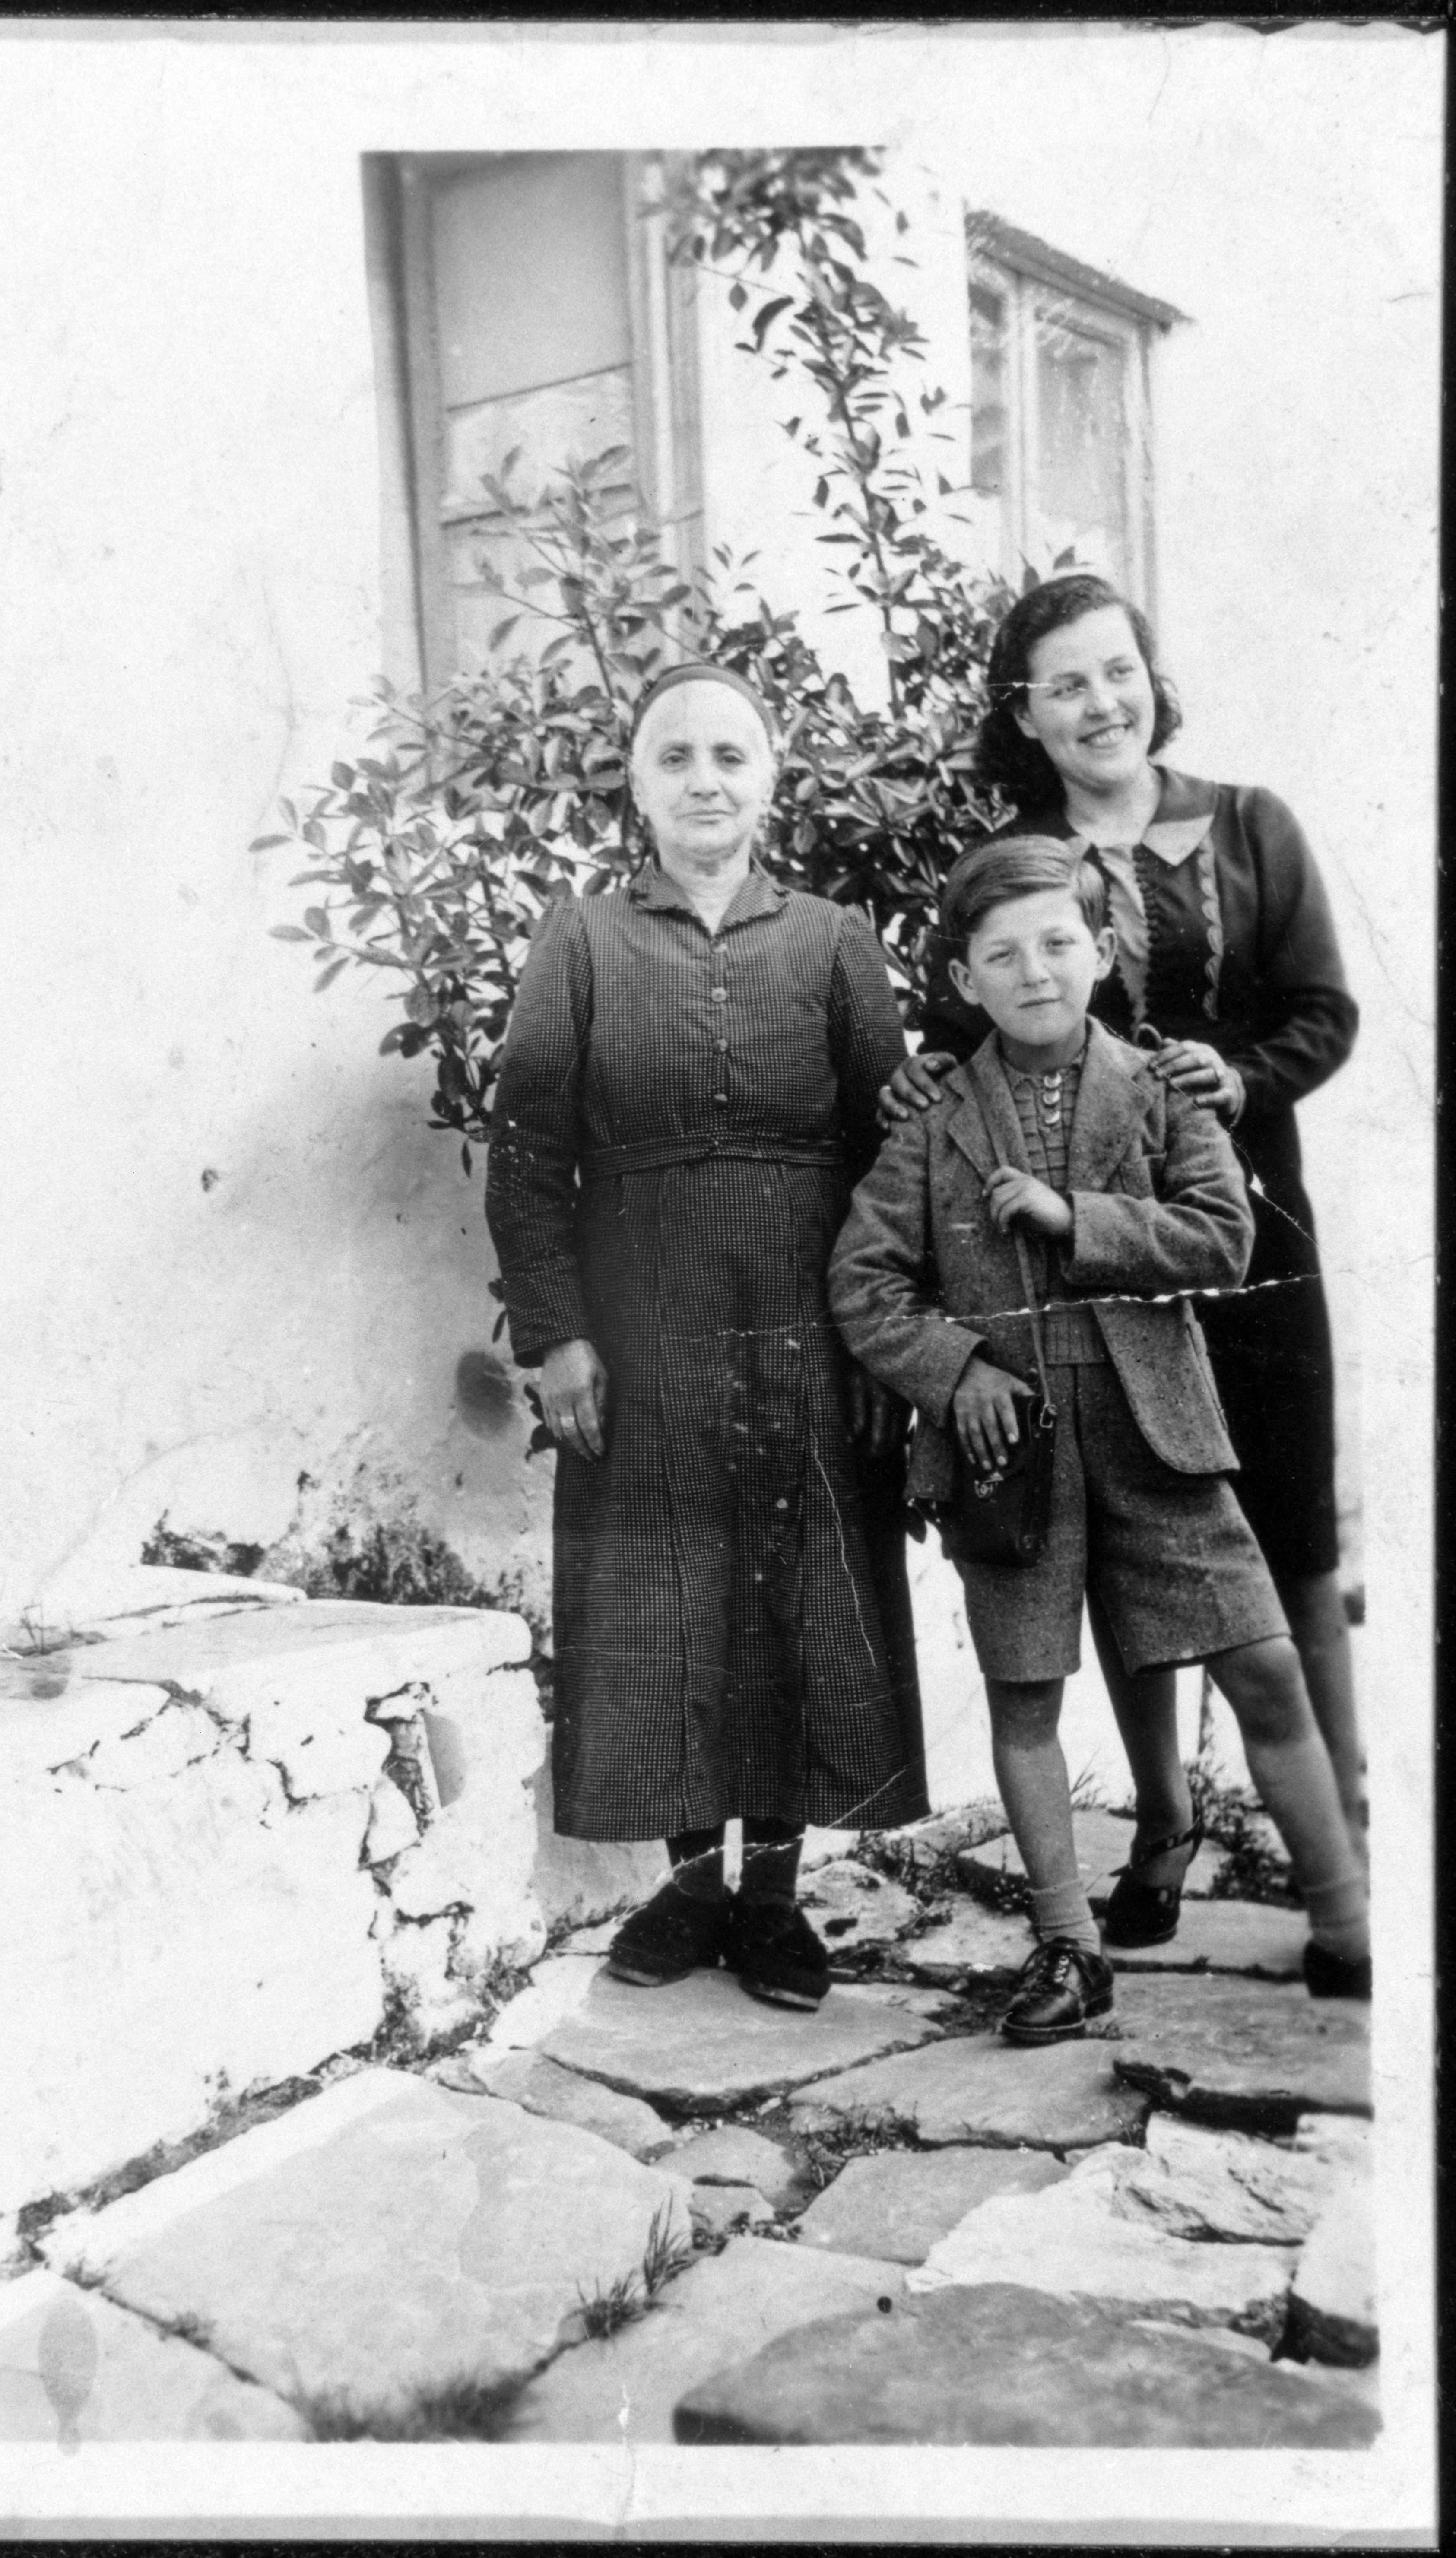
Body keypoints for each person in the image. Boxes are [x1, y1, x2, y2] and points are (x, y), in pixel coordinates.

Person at [882, 573, 1366, 1938]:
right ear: (1025, 713)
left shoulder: (1252, 823)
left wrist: (1241, 1076)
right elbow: (964, 1040)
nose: (1101, 703)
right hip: (1075, 1275)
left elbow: (1325, 1012)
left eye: (1118, 670)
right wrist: (918, 1082)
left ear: (1151, 675)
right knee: (1122, 1532)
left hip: (1241, 1228)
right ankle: (1163, 1824)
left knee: (1284, 1524)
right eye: (1066, 685)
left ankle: (1341, 1842)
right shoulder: (1018, 865)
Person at [830, 837, 1370, 2043]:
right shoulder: (933, 1120)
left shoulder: (1161, 1087)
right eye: (1002, 955)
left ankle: (1350, 1924)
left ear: (1104, 950)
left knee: (1264, 1664)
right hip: (1008, 1450)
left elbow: (1224, 1236)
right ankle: (1069, 1945)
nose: (1035, 972)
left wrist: (1079, 1217)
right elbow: (865, 1283)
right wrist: (956, 1370)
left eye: (1058, 944)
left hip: (1156, 1427)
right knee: (1026, 1691)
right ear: (962, 981)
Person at [485, 661, 929, 2014]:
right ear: (635, 785)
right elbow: (527, 1151)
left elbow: (894, 1161)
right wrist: (558, 1336)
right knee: (664, 1586)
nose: (704, 781)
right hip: (642, 1321)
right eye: (673, 757)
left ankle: (776, 1898)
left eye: (731, 755)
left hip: (808, 1317)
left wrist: (884, 1340)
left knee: (796, 1583)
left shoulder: (834, 941)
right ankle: (690, 1887)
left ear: (771, 778)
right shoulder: (581, 942)